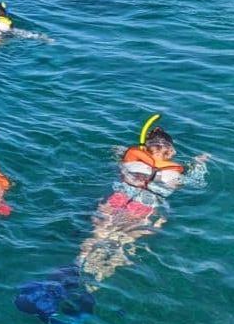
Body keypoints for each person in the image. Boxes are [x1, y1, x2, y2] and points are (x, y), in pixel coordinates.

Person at [77, 117, 207, 284]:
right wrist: (198, 163)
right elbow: (196, 183)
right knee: (121, 243)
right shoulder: (176, 171)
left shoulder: (131, 156)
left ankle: (77, 264)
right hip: (145, 206)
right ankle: (94, 283)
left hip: (118, 198)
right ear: (170, 151)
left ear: (146, 147)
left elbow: (117, 156)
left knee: (97, 235)